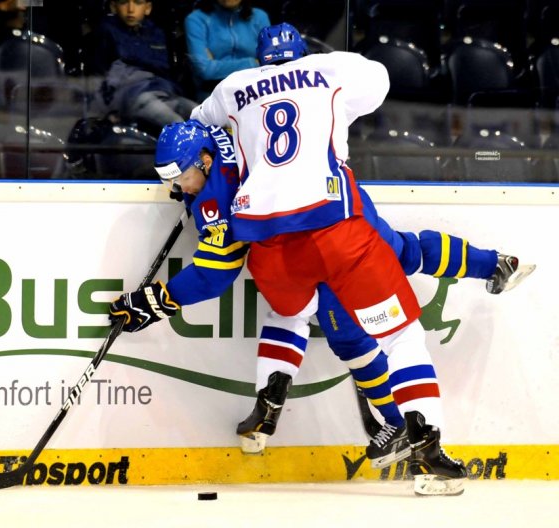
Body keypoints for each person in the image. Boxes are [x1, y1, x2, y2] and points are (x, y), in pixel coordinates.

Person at [188, 21, 471, 496]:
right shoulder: (332, 67)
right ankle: (426, 446)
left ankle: (268, 399)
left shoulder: (232, 86)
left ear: (260, 60)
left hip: (268, 242)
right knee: (401, 335)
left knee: (291, 312)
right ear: (302, 52)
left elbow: (194, 128)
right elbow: (381, 81)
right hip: (335, 231)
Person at [88, 0, 198, 135]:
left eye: (138, 2)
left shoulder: (157, 32)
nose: (130, 9)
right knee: (177, 125)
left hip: (163, 91)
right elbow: (99, 75)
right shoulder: (105, 30)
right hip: (132, 95)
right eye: (123, 2)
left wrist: (135, 60)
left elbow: (165, 68)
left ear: (147, 8)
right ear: (113, 6)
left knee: (201, 115)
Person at [184, 0, 270, 101]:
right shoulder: (196, 20)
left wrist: (217, 65)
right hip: (213, 93)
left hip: (256, 88)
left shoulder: (259, 17)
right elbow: (205, 69)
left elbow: (269, 61)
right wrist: (252, 62)